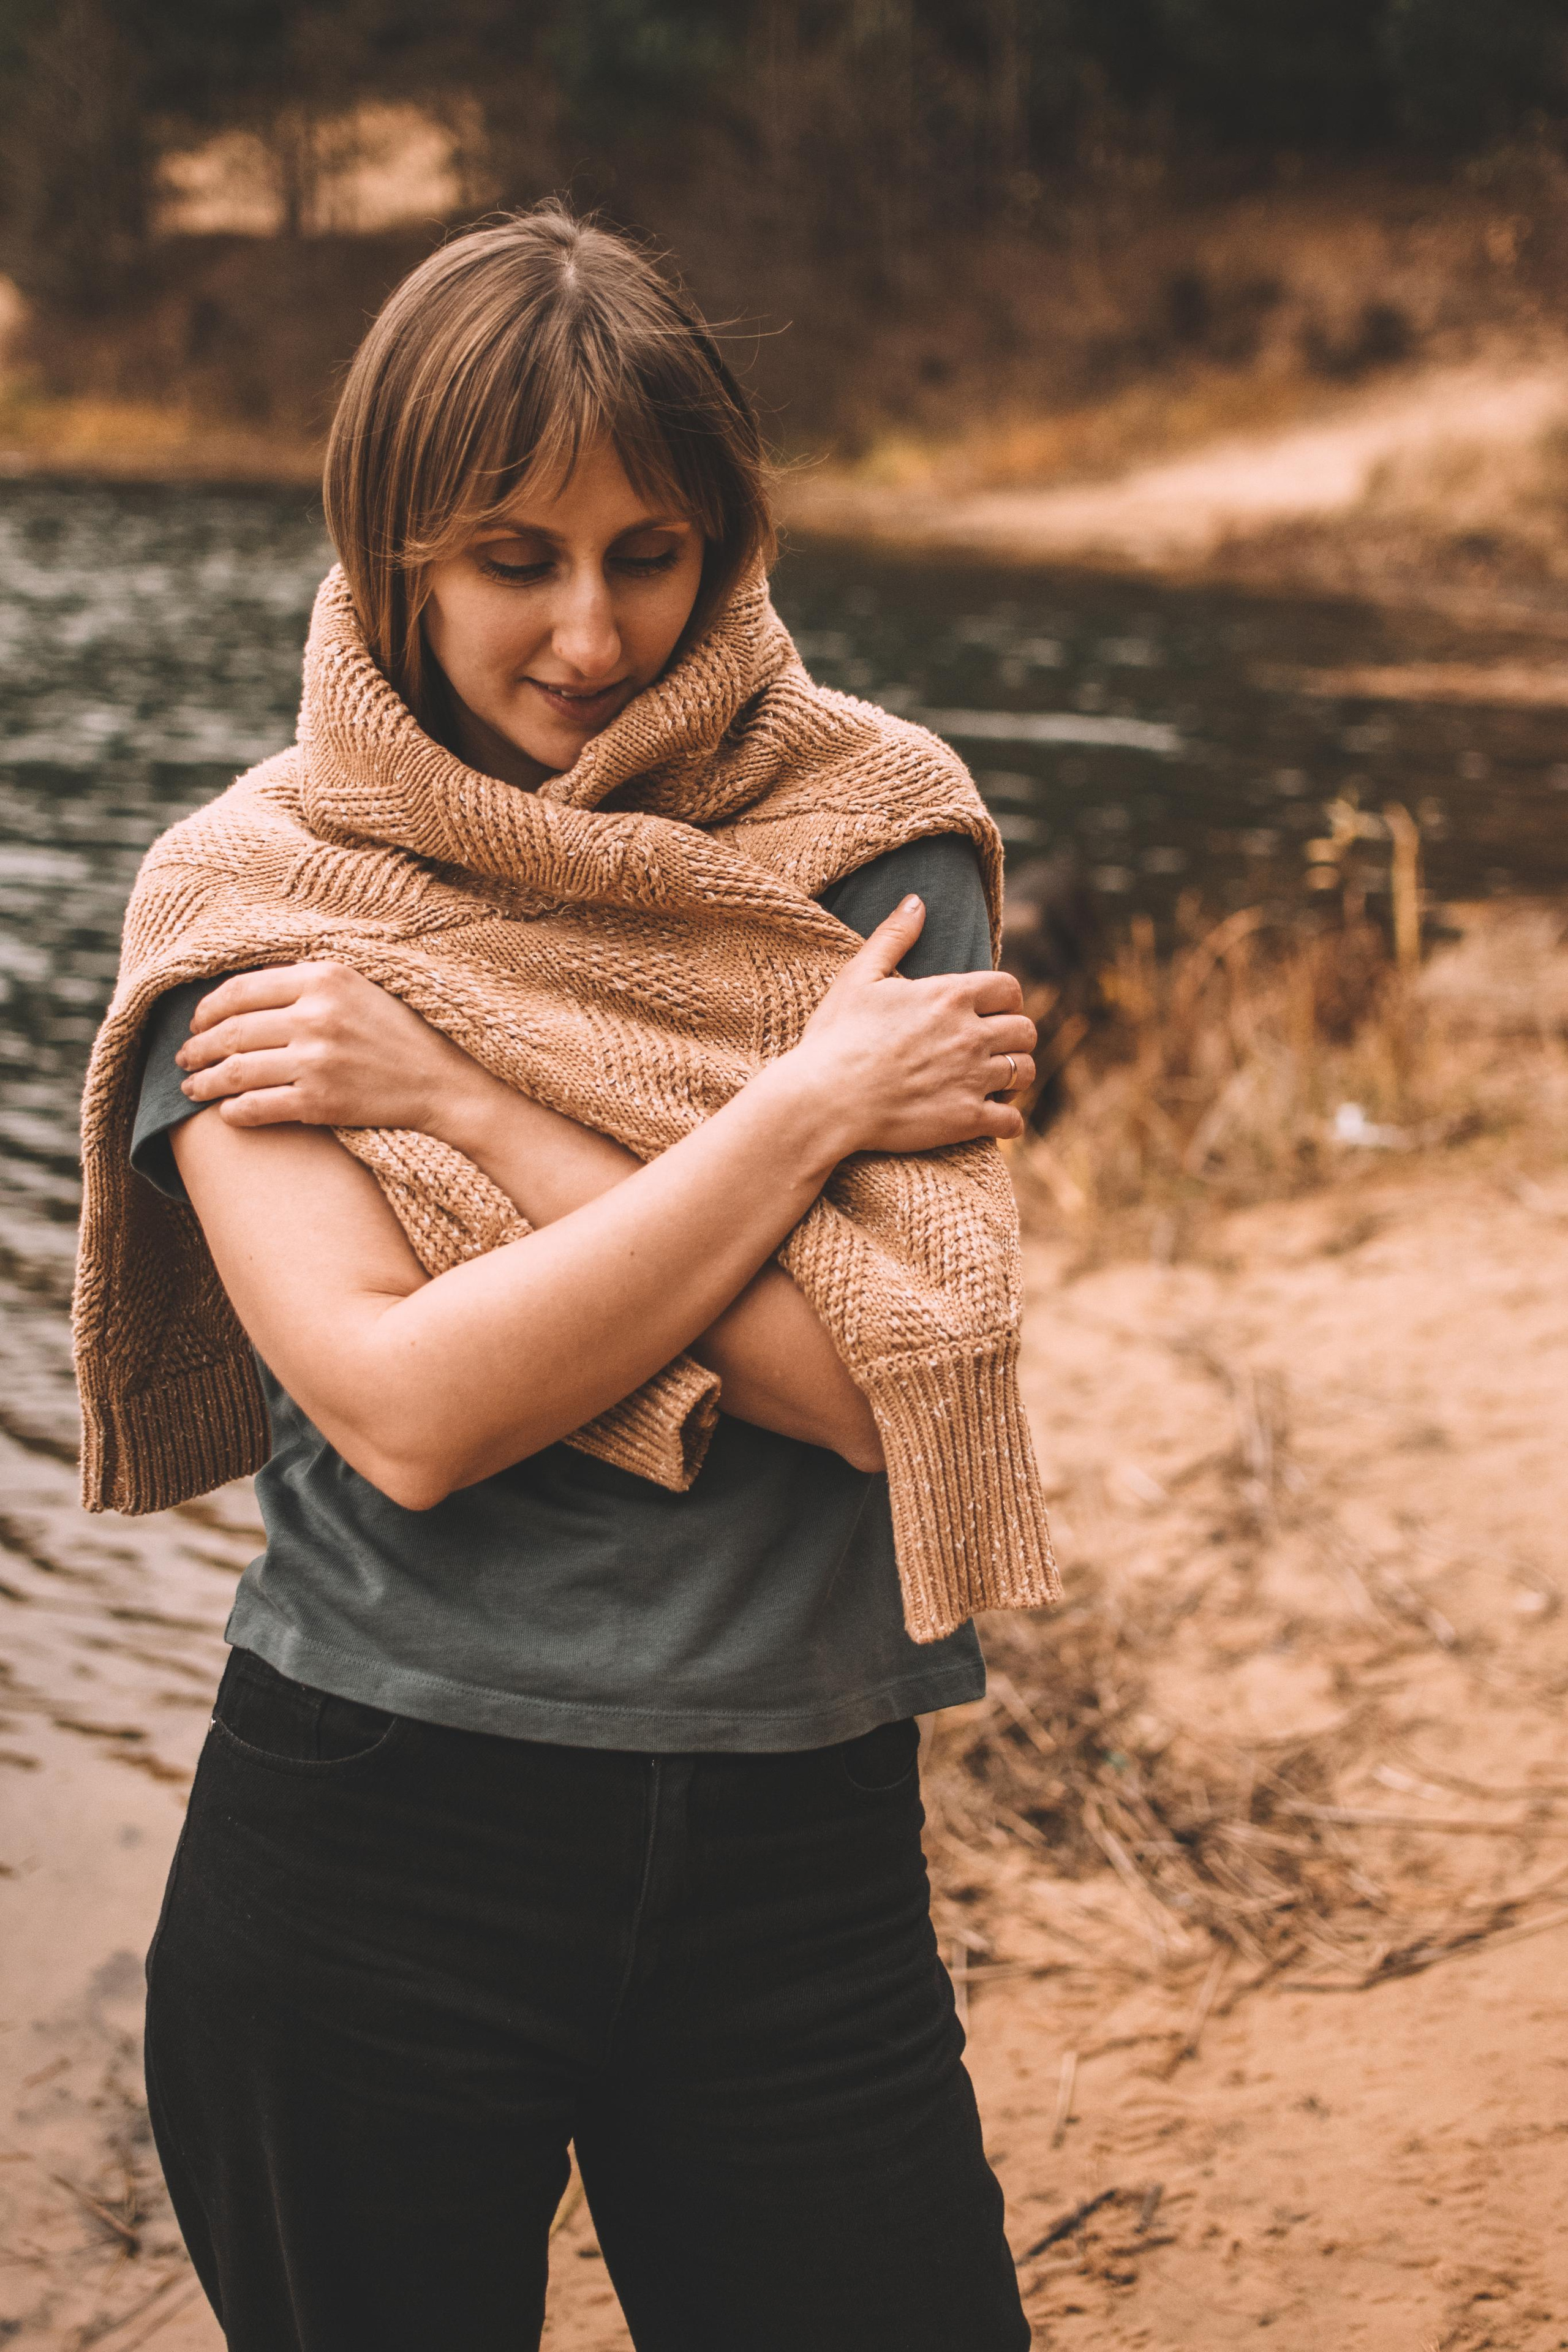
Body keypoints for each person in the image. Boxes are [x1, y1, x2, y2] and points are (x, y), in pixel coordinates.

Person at [74, 203, 1055, 2351]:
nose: (594, 633)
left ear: (732, 543)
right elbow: (410, 1407)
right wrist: (801, 1117)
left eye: (652, 550)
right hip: (371, 1850)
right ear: (393, 553)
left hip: (805, 1854)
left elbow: (898, 1393)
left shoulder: (874, 841)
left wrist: (473, 1101)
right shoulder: (259, 894)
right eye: (515, 557)